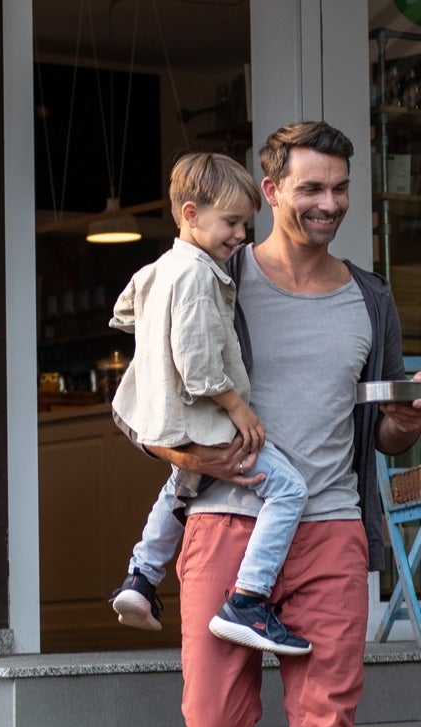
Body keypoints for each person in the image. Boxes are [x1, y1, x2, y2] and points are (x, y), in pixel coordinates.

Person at [140, 122, 421, 727]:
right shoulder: (212, 274)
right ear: (270, 189)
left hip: (334, 529)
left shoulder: (369, 300)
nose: (329, 205)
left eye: (340, 189)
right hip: (228, 522)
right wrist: (179, 454)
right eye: (311, 188)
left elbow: (377, 427)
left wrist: (405, 428)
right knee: (214, 725)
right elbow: (152, 387)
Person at [107, 153, 313, 656]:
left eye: (245, 223)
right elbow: (198, 368)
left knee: (179, 489)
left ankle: (140, 577)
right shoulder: (199, 276)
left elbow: (123, 312)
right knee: (288, 490)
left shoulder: (159, 269)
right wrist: (239, 409)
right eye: (231, 222)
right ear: (191, 214)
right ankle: (248, 599)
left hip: (164, 416)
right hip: (206, 418)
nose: (240, 234)